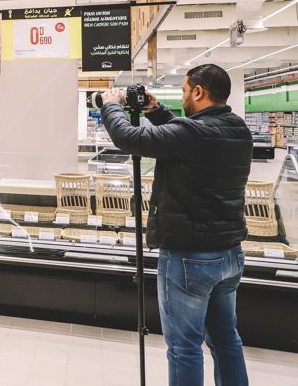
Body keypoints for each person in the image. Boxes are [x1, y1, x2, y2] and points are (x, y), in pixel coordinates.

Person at [98, 64, 252, 386]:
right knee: (226, 339)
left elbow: (129, 137)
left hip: (190, 257)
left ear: (199, 92)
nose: (182, 97)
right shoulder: (238, 128)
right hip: (230, 255)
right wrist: (156, 111)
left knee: (185, 348)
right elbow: (185, 137)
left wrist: (111, 104)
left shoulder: (191, 134)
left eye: (183, 90)